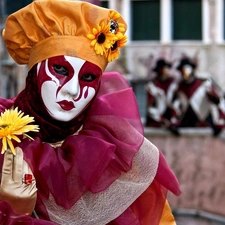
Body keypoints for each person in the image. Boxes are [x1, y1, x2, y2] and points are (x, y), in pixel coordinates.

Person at [0, 0, 181, 224]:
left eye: (87, 77)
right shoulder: (3, 139)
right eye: (60, 69)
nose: (72, 90)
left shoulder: (117, 155)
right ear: (34, 71)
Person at [172, 57, 225, 136]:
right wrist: (174, 123)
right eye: (182, 70)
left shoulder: (204, 84)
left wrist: (220, 122)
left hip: (206, 125)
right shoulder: (179, 88)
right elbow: (176, 107)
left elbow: (218, 102)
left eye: (186, 69)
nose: (185, 72)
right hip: (187, 126)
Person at [146, 58, 179, 135]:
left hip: (171, 120)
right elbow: (150, 108)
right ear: (160, 70)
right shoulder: (153, 85)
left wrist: (174, 119)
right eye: (165, 68)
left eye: (167, 68)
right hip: (157, 123)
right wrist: (162, 120)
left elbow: (176, 102)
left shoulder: (173, 84)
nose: (167, 70)